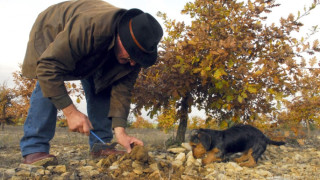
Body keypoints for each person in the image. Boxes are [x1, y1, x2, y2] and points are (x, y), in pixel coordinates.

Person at [20, 0, 163, 165]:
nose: (133, 63)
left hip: (94, 43)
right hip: (53, 27)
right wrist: (71, 113)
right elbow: (47, 69)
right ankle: (34, 148)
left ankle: (100, 144)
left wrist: (120, 131)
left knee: (104, 82)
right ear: (120, 36)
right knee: (49, 79)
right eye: (132, 54)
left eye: (138, 58)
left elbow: (122, 92)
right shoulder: (90, 27)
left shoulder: (135, 57)